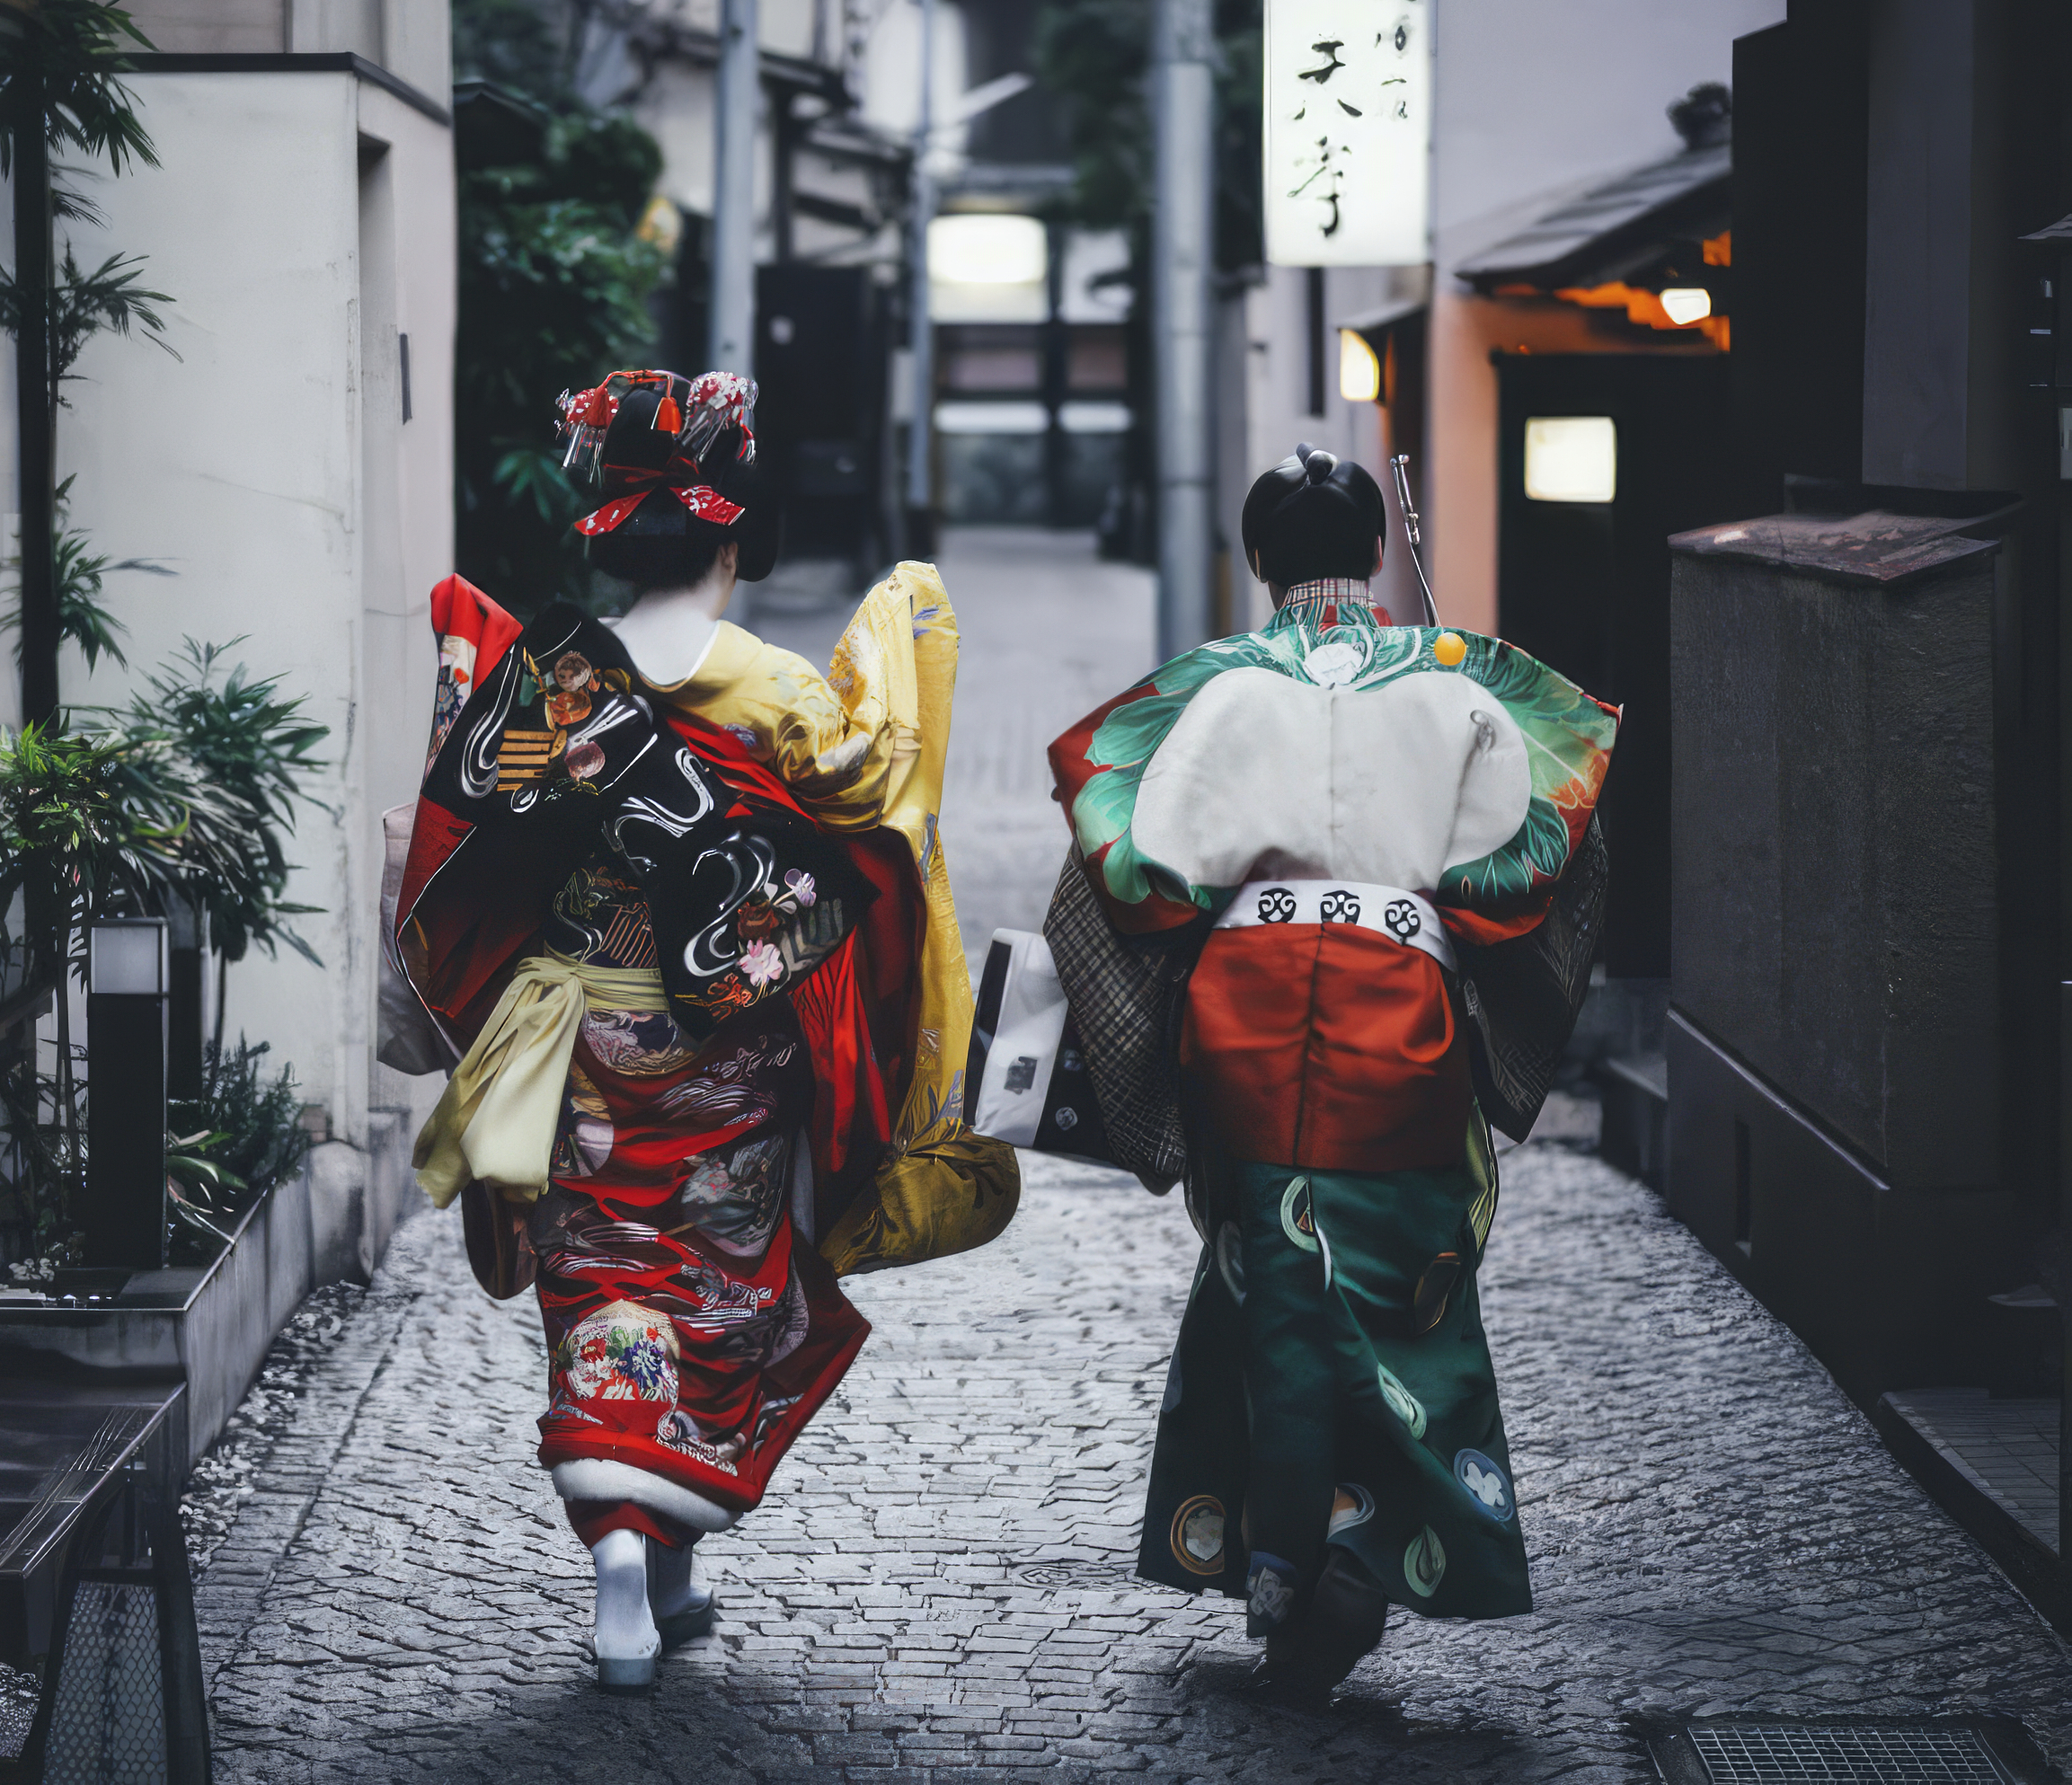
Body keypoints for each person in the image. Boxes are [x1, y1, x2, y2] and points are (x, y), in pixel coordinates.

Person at [384, 369, 1017, 1692]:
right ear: (732, 539)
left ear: (614, 538)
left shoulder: (549, 684)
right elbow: (867, 832)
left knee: (606, 1278)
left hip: (577, 1045)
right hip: (729, 1050)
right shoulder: (776, 689)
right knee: (716, 1283)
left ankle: (640, 1562)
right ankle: (656, 1548)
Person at [1038, 446, 1616, 1692]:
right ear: (1371, 557)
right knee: (1410, 1277)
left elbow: (1136, 862)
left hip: (1245, 1012)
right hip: (1398, 1001)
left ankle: (1280, 1549)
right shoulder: (1459, 681)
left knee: (1272, 1272)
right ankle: (1382, 1541)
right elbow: (1530, 859)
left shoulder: (1221, 688)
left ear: (1259, 561)